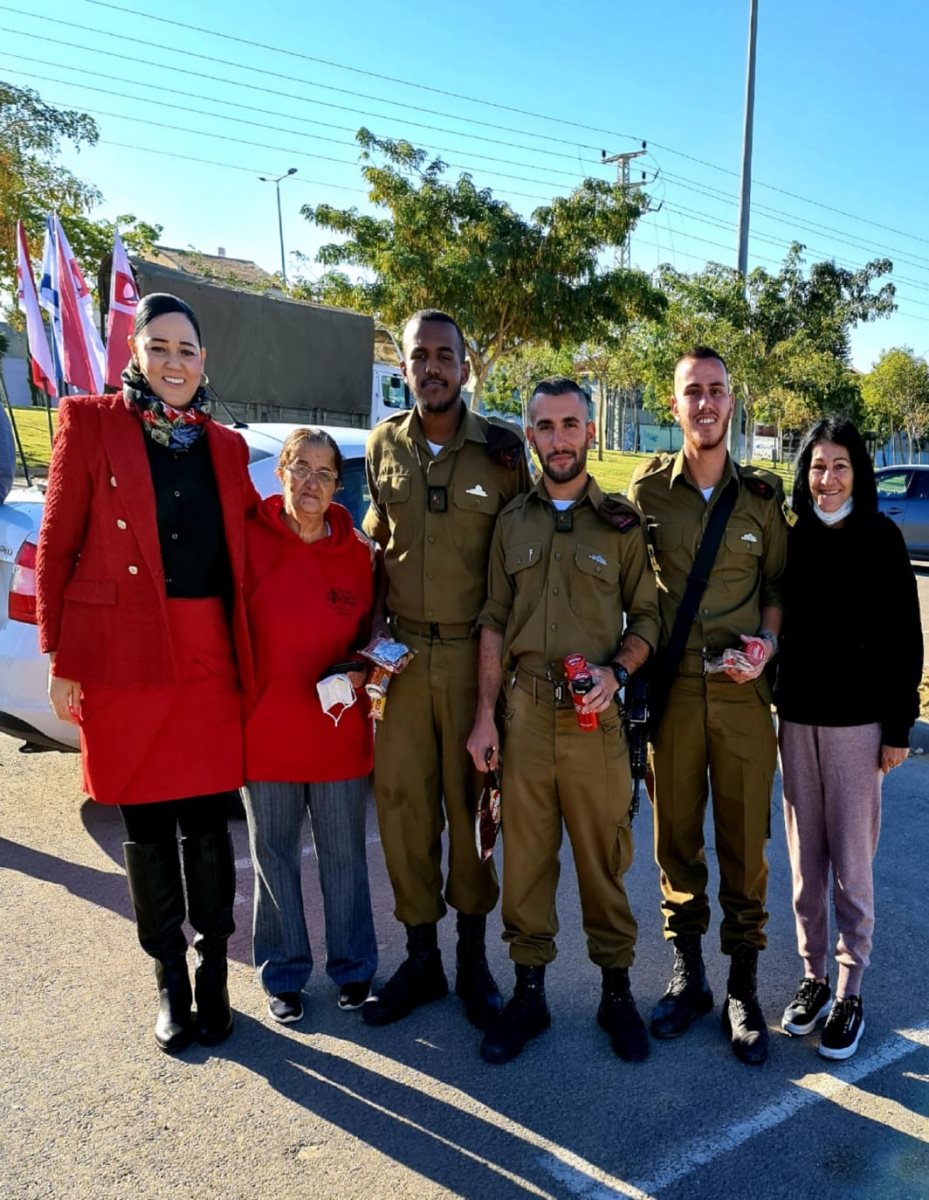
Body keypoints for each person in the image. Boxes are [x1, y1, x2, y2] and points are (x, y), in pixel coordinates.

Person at [36, 292, 258, 1054]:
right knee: (145, 823)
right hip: (120, 653)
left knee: (207, 821)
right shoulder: (90, 423)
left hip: (206, 656)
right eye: (158, 347)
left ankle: (215, 974)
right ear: (134, 353)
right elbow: (59, 542)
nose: (172, 362)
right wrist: (60, 660)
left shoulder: (226, 448)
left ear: (205, 363)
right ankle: (167, 976)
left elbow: (257, 548)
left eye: (186, 350)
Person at [466, 378, 659, 1065]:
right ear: (530, 435)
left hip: (592, 720)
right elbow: (492, 620)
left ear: (589, 432)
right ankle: (529, 993)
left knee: (605, 859)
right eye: (544, 426)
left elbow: (648, 618)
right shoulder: (511, 522)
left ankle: (614, 993)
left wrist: (619, 672)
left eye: (569, 424)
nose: (557, 438)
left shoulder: (622, 524)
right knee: (525, 863)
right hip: (521, 714)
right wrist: (483, 718)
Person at [361, 309, 530, 1029]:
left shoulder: (501, 450)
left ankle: (468, 961)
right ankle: (421, 956)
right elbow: (377, 549)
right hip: (400, 660)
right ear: (404, 367)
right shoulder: (382, 445)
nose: (431, 367)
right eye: (418, 356)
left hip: (472, 656)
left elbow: (524, 561)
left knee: (470, 809)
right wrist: (369, 647)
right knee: (402, 809)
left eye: (444, 355)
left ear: (466, 367)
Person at [628, 346, 788, 1066]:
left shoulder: (761, 498)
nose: (704, 403)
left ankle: (741, 988)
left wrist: (766, 645)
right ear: (674, 406)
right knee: (675, 840)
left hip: (741, 693)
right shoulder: (645, 491)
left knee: (744, 845)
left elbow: (779, 589)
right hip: (673, 694)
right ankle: (689, 975)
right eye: (690, 391)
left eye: (715, 391)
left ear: (732, 403)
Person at [775, 417, 922, 1060]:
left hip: (859, 728)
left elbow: (906, 642)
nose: (826, 478)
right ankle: (813, 980)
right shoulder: (794, 539)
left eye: (838, 465)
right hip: (796, 722)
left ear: (857, 471)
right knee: (806, 867)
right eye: (816, 466)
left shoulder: (882, 539)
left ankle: (851, 986)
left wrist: (897, 729)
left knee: (852, 869)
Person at [241, 428, 378, 1026]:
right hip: (266, 731)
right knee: (274, 856)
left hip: (337, 732)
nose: (312, 483)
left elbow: (378, 638)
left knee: (344, 856)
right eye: (301, 468)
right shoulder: (248, 540)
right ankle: (285, 972)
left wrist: (363, 668)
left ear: (337, 485)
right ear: (281, 473)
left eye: (325, 473)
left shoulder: (358, 553)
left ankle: (353, 970)